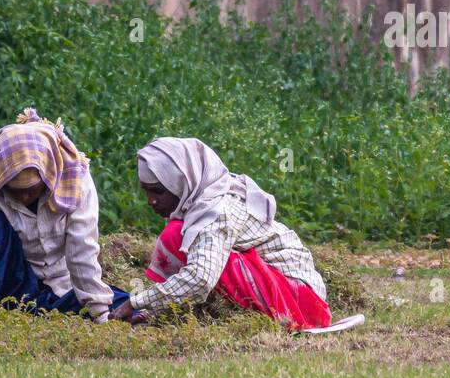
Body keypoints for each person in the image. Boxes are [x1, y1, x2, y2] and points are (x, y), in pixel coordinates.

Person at [0, 108, 127, 322]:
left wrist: (99, 313)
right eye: (16, 190)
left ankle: (52, 310)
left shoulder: (75, 182)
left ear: (48, 175)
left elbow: (82, 250)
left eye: (33, 188)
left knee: (122, 306)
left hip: (61, 285)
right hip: (9, 281)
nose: (26, 196)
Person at [110, 136, 330, 330]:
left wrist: (137, 302)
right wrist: (151, 314)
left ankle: (237, 318)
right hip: (286, 292)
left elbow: (200, 279)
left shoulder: (215, 212)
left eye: (158, 191)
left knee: (189, 246)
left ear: (183, 184)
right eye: (146, 190)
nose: (151, 200)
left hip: (302, 302)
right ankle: (199, 314)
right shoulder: (197, 208)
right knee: (177, 236)